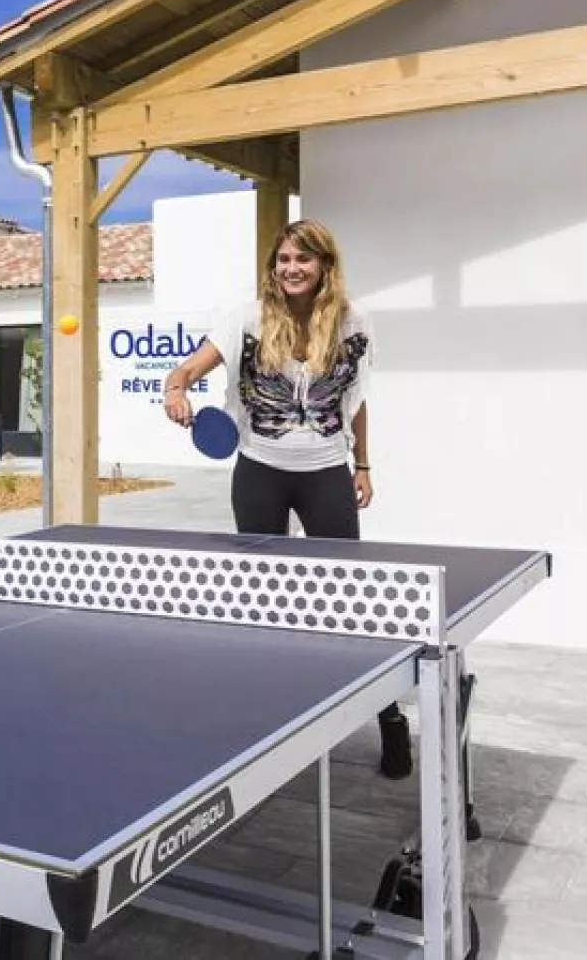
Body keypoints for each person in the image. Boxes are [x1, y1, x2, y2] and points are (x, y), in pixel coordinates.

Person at [162, 218, 411, 780]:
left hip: (326, 472)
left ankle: (388, 716)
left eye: (303, 259)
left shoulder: (354, 322)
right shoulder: (245, 319)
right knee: (258, 602)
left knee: (349, 606)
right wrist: (175, 388)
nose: (292, 269)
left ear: (324, 265)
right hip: (260, 471)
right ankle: (264, 723)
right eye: (283, 260)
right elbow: (188, 368)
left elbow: (356, 400)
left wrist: (363, 464)